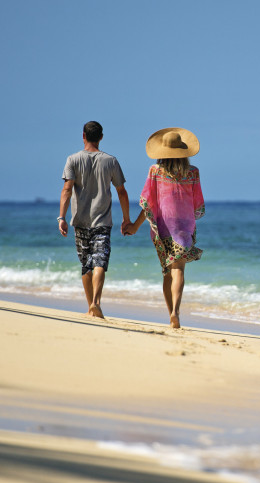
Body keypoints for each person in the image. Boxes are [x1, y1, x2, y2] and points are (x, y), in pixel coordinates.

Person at [126, 127, 204, 329]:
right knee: (179, 271)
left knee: (167, 272)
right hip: (184, 228)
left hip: (162, 229)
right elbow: (197, 204)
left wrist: (134, 226)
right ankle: (175, 313)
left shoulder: (155, 171)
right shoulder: (193, 172)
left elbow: (148, 203)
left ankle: (171, 313)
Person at [58, 121, 131, 319]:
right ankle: (96, 303)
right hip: (102, 221)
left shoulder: (72, 159)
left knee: (86, 264)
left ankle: (90, 305)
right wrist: (127, 219)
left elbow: (67, 189)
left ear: (83, 135)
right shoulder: (111, 161)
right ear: (101, 137)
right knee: (100, 262)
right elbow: (122, 192)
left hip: (80, 220)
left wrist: (61, 217)